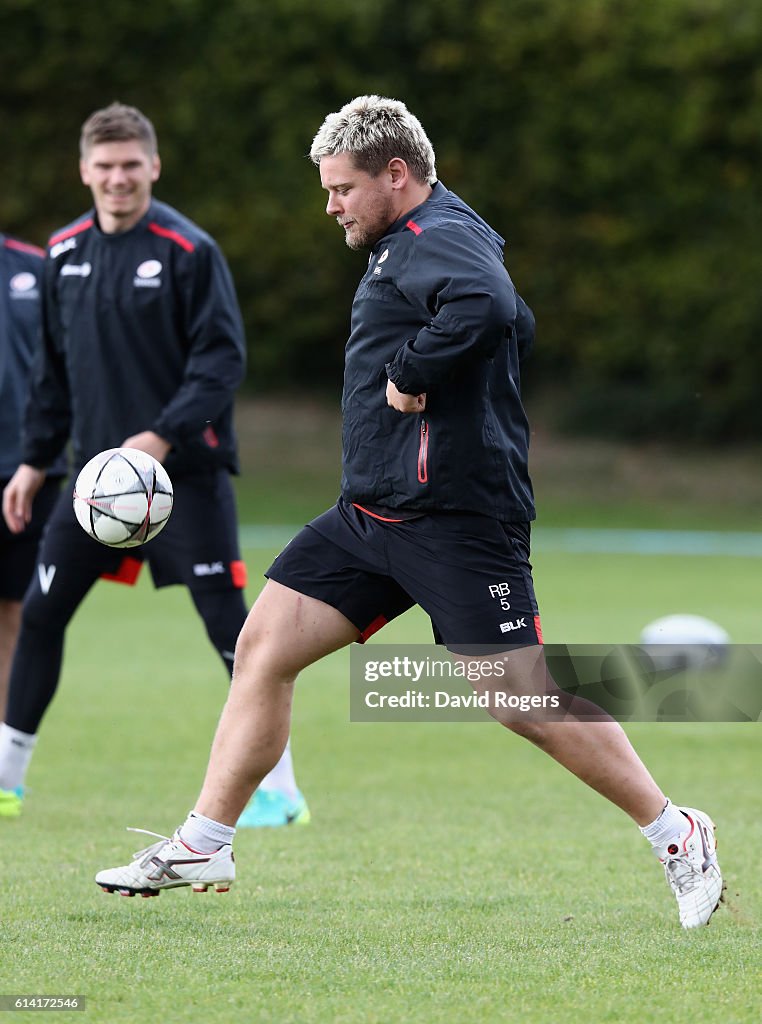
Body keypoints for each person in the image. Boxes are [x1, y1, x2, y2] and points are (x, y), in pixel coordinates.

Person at [94, 96, 722, 929]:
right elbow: (516, 321)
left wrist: (418, 368)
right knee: (263, 647)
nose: (331, 205)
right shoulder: (411, 240)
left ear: (396, 173)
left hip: (458, 521)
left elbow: (492, 308)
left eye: (342, 188)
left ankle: (677, 832)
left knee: (520, 700)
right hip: (370, 516)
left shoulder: (441, 238)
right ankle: (206, 838)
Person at [0, 103, 309, 828]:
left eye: (130, 166)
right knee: (41, 615)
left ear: (154, 167)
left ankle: (282, 791)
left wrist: (162, 437)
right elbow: (52, 373)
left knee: (235, 635)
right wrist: (34, 461)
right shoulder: (64, 252)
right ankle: (7, 781)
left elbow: (221, 361)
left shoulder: (187, 249)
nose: (117, 179)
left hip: (185, 481)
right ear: (84, 171)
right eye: (104, 167)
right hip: (93, 484)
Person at [0, 232, 66, 775]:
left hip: (29, 470)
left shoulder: (37, 266)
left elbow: (61, 363)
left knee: (19, 612)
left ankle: (3, 766)